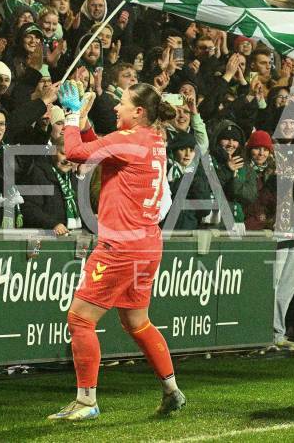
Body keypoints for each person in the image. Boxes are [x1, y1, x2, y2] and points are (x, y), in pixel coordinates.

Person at [49, 81, 185, 421]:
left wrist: (71, 116)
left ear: (138, 112)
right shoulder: (152, 140)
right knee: (137, 321)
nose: (115, 107)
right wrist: (85, 126)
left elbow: (76, 153)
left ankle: (86, 401)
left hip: (120, 247)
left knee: (80, 318)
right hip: (147, 244)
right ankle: (171, 389)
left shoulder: (129, 139)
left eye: (121, 102)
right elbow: (101, 150)